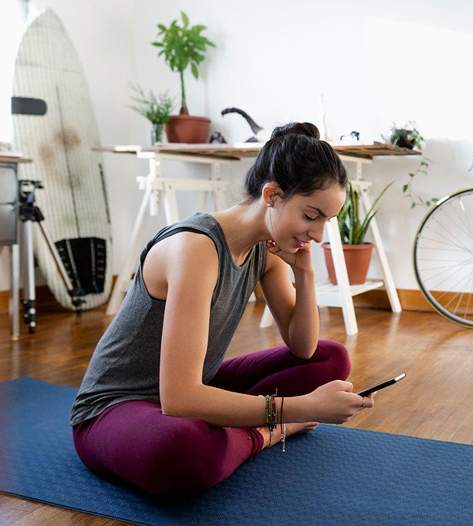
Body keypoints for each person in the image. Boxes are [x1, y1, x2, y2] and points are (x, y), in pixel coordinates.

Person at [70, 122, 374, 498]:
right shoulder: (196, 248)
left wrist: (305, 272)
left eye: (326, 221)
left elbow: (304, 350)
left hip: (195, 387)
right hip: (113, 409)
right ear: (272, 195)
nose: (318, 234)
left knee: (330, 358)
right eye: (311, 216)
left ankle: (231, 432)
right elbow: (179, 399)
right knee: (185, 450)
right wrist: (297, 411)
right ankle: (264, 435)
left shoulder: (267, 247)